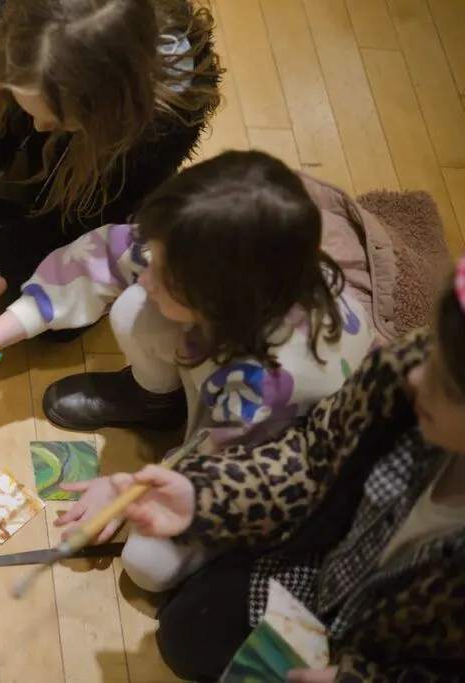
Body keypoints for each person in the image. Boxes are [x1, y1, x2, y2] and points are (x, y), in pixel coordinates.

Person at [0, 151, 376, 593]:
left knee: (147, 565)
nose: (146, 274)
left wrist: (130, 492)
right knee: (135, 306)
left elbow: (222, 467)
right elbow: (98, 262)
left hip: (257, 449)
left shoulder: (269, 388)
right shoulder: (191, 242)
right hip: (226, 371)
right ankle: (156, 399)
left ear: (215, 307)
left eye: (165, 277)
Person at [98, 259, 465, 682]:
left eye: (449, 386)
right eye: (432, 349)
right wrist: (205, 495)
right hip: (326, 568)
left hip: (386, 651)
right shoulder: (405, 371)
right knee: (185, 635)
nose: (417, 378)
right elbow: (313, 455)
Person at [0, 0, 220, 304]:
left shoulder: (161, 118)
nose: (41, 127)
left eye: (57, 120)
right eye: (26, 106)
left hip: (114, 147)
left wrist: (12, 264)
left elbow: (103, 209)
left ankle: (50, 180)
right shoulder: (2, 22)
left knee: (58, 307)